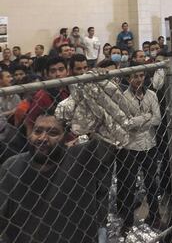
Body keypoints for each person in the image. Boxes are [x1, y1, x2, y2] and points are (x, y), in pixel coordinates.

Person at [0, 112, 110, 242]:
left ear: (65, 137)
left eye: (52, 133)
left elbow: (112, 133)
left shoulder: (82, 158)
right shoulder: (12, 167)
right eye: (38, 131)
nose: (42, 138)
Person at [117, 70, 162, 235]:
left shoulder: (151, 95)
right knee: (129, 185)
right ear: (129, 78)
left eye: (141, 76)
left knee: (151, 183)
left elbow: (157, 119)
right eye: (135, 76)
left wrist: (137, 120)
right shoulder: (123, 97)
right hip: (131, 147)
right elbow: (125, 123)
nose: (138, 79)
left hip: (149, 145)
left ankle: (155, 215)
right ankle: (127, 221)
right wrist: (145, 117)